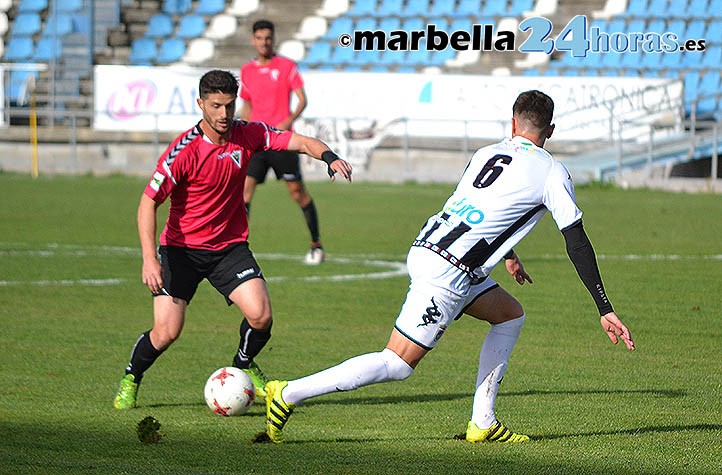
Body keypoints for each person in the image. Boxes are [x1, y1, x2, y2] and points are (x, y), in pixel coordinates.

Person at [259, 90, 636, 444]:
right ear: (550, 131)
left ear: (512, 124)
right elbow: (576, 240)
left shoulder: (487, 153)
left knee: (509, 315)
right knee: (397, 363)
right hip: (449, 270)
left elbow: (480, 205)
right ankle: (288, 392)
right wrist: (604, 307)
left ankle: (483, 422)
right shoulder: (552, 171)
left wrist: (506, 253)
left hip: (432, 247)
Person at [112, 69, 352, 410]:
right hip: (181, 251)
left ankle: (243, 364)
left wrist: (329, 157)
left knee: (261, 316)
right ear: (201, 104)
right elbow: (148, 202)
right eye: (215, 106)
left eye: (228, 105)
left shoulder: (248, 133)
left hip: (228, 248)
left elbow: (298, 142)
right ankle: (131, 377)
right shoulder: (183, 151)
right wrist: (150, 259)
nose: (223, 114)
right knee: (166, 332)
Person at [240, 19, 324, 265]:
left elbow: (301, 100)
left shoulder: (286, 66)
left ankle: (316, 244)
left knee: (297, 193)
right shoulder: (247, 70)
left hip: (281, 141)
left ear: (273, 39)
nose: (264, 42)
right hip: (256, 141)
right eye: (259, 38)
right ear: (253, 40)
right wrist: (243, 131)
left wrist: (287, 121)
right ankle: (238, 247)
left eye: (268, 38)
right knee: (244, 192)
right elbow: (247, 104)